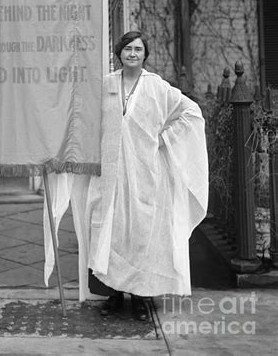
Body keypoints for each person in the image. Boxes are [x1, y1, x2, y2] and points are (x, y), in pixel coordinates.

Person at [44, 31, 209, 321]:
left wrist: (164, 139)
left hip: (144, 175)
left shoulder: (157, 88)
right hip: (107, 175)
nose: (132, 53)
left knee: (141, 236)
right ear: (119, 53)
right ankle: (114, 297)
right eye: (127, 49)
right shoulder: (105, 85)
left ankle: (142, 299)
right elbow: (82, 118)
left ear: (145, 55)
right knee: (107, 234)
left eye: (138, 49)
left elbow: (191, 113)